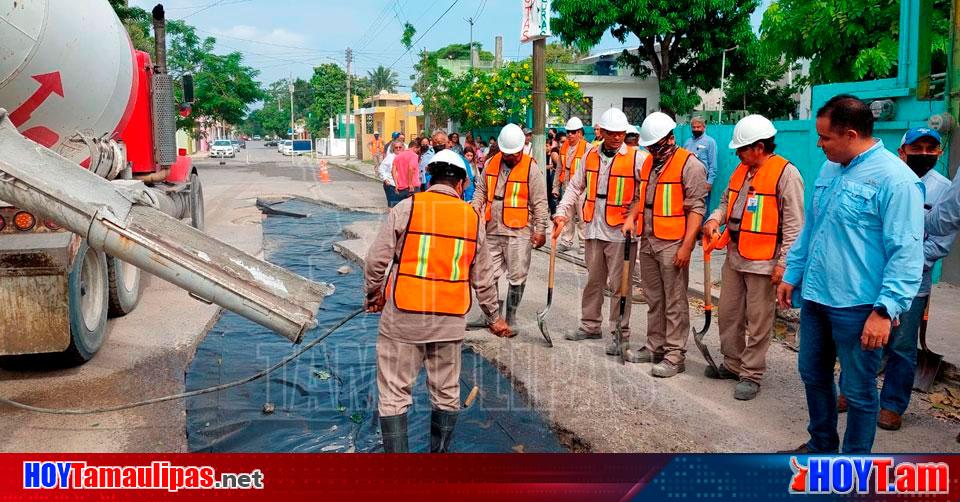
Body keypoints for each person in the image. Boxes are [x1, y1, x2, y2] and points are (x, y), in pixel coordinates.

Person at [776, 94, 924, 454]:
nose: (819, 144)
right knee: (813, 376)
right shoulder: (830, 169)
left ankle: (853, 467)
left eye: (825, 138)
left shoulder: (896, 181)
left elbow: (906, 252)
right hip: (816, 298)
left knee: (857, 392)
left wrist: (885, 310)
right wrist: (792, 271)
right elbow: (813, 227)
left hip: (860, 307)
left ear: (851, 134)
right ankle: (821, 446)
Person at [365, 149, 512, 453]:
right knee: (446, 392)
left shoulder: (407, 207)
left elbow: (376, 261)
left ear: (430, 178)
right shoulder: (472, 219)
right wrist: (493, 317)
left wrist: (374, 295)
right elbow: (483, 277)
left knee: (394, 392)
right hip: (449, 321)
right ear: (461, 185)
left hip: (403, 318)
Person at [835, 127, 956, 430]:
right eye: (918, 148)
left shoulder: (943, 189)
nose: (925, 154)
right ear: (902, 151)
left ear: (940, 153)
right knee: (859, 336)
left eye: (932, 149)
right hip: (870, 277)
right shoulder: (885, 177)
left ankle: (891, 405)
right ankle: (850, 390)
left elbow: (940, 240)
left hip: (913, 284)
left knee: (902, 347)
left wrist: (907, 265)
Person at [701, 115, 805, 400]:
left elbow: (795, 224)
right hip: (735, 256)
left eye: (742, 149)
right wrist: (714, 219)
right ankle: (733, 364)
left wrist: (784, 263)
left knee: (758, 320)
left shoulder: (786, 174)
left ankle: (751, 373)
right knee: (730, 314)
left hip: (764, 262)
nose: (737, 153)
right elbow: (725, 202)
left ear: (759, 147)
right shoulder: (741, 170)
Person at [554, 108, 651, 358]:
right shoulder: (590, 155)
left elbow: (644, 193)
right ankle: (590, 325)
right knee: (594, 281)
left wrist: (633, 217)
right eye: (613, 133)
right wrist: (562, 212)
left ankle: (621, 334)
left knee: (621, 286)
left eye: (621, 134)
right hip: (594, 228)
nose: (618, 138)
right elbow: (576, 186)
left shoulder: (637, 158)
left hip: (621, 233)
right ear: (603, 133)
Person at [623, 111, 708, 377]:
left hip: (673, 243)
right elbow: (640, 197)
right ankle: (655, 345)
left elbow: (697, 208)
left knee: (675, 300)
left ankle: (674, 354)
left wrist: (686, 246)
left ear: (669, 139)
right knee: (654, 298)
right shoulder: (649, 163)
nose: (652, 150)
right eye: (649, 146)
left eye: (655, 145)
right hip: (648, 239)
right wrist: (631, 218)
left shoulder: (690, 165)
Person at [468, 123, 550, 335]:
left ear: (523, 148)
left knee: (517, 275)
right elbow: (481, 190)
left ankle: (510, 316)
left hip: (519, 230)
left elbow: (540, 202)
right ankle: (490, 315)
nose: (512, 157)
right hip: (492, 228)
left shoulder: (531, 168)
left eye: (515, 153)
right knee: (487, 275)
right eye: (507, 153)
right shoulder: (491, 164)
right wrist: (475, 207)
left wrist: (541, 230)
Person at [552, 117, 589, 254]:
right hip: (567, 186)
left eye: (573, 132)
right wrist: (555, 187)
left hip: (581, 188)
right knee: (566, 215)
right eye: (568, 132)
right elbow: (559, 168)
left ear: (579, 133)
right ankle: (566, 241)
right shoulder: (564, 147)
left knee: (582, 217)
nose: (570, 135)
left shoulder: (587, 147)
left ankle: (584, 244)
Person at [683, 117, 719, 211]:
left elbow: (713, 163)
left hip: (703, 181)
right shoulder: (687, 142)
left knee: (702, 208)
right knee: (688, 208)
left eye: (698, 127)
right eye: (693, 127)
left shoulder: (710, 142)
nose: (696, 129)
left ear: (704, 127)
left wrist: (709, 182)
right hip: (688, 181)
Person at [377, 141, 401, 207]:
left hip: (400, 185)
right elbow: (381, 168)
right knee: (392, 205)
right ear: (393, 148)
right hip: (391, 184)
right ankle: (391, 217)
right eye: (396, 147)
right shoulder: (390, 157)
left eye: (400, 147)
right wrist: (385, 179)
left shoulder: (403, 157)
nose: (398, 149)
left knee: (398, 205)